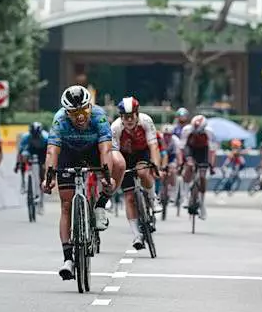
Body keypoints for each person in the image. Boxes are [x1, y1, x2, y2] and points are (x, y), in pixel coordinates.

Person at [43, 85, 127, 281]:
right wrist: (48, 179)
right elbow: (52, 152)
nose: (80, 117)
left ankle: (100, 204)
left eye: (83, 111)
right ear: (67, 112)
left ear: (90, 106)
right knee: (66, 205)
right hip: (68, 154)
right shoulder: (60, 120)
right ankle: (68, 259)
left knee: (117, 163)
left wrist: (106, 177)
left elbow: (105, 150)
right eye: (74, 113)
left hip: (94, 151)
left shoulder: (99, 116)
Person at [110, 96, 162, 249]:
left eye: (132, 116)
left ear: (137, 114)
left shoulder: (146, 121)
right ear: (121, 117)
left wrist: (156, 165)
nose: (129, 120)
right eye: (126, 117)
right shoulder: (115, 127)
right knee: (129, 196)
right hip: (124, 156)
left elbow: (153, 146)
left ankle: (153, 198)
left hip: (141, 153)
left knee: (143, 172)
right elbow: (114, 153)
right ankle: (136, 235)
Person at [180, 114, 217, 219]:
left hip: (203, 151)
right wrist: (183, 161)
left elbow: (212, 151)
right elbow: (182, 148)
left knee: (202, 176)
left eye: (199, 131)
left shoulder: (209, 132)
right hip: (190, 148)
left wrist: (212, 165)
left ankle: (202, 203)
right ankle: (185, 197)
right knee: (189, 166)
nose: (197, 132)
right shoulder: (187, 129)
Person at [16, 122, 49, 194]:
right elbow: (20, 152)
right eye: (33, 136)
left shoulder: (46, 137)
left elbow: (49, 152)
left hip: (42, 150)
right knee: (24, 156)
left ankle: (42, 182)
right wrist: (18, 163)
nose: (35, 137)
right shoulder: (25, 137)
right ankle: (23, 180)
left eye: (37, 136)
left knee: (42, 168)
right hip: (30, 149)